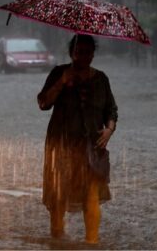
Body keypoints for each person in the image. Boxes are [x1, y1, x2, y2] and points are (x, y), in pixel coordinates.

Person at [37, 34, 118, 244]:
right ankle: (57, 233)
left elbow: (111, 110)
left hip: (91, 145)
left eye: (87, 52)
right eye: (78, 52)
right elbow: (43, 103)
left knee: (91, 192)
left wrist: (109, 130)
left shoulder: (101, 79)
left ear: (93, 54)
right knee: (58, 191)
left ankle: (92, 241)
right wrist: (62, 82)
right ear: (72, 53)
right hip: (61, 142)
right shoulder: (58, 73)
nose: (82, 57)